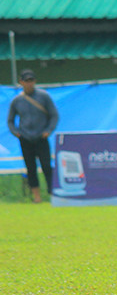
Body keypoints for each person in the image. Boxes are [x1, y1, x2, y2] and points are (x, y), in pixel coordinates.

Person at [7, 69, 59, 203]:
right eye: (26, 81)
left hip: (41, 137)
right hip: (25, 138)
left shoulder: (43, 96)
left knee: (47, 166)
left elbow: (54, 115)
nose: (29, 84)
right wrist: (16, 133)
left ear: (35, 81)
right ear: (21, 82)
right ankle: (37, 197)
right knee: (31, 168)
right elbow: (10, 120)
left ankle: (52, 194)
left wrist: (48, 130)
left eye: (31, 80)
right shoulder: (17, 101)